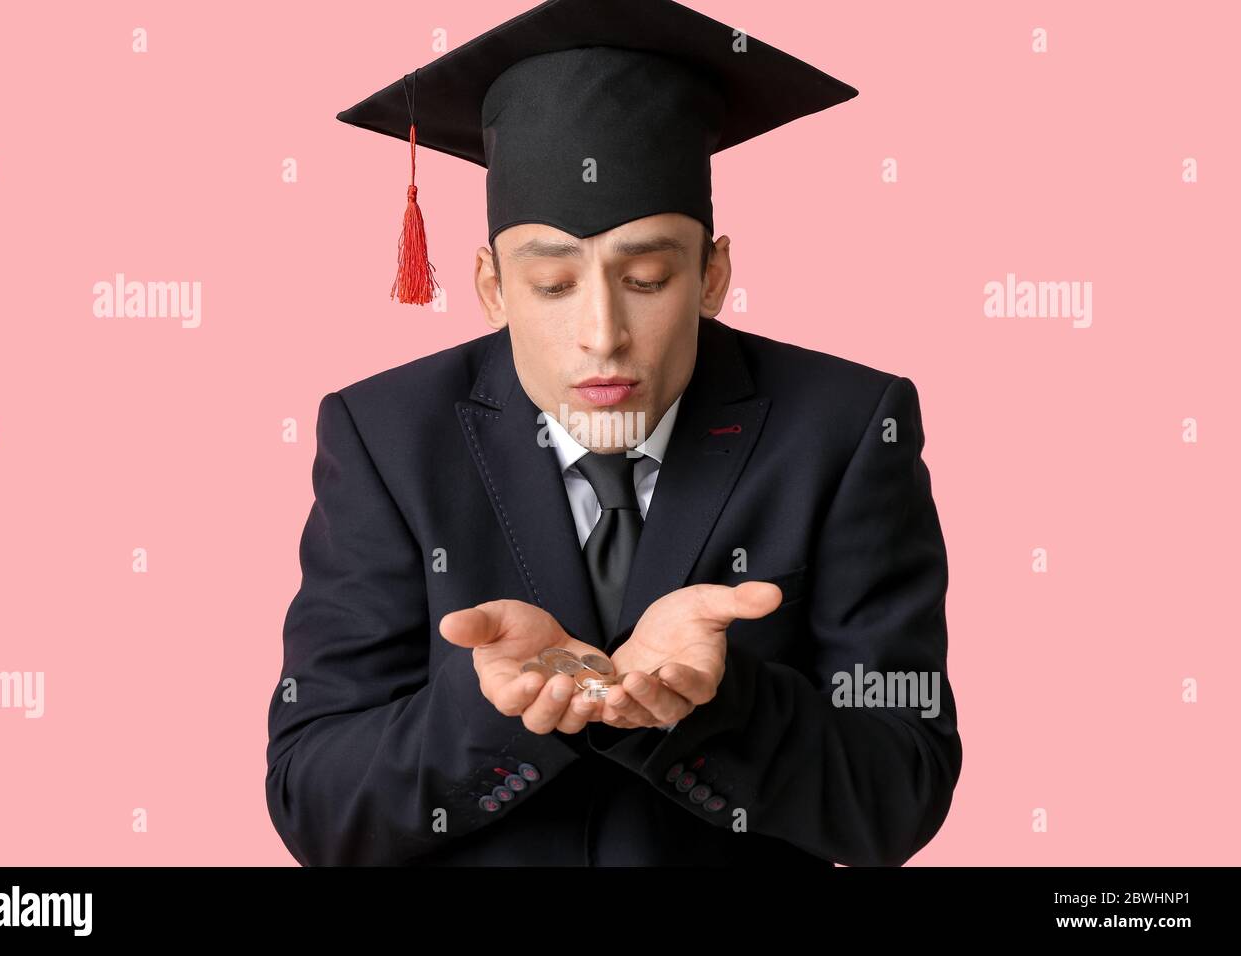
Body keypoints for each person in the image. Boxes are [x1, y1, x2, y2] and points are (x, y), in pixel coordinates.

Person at [265, 0, 962, 866]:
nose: (602, 334)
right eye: (553, 283)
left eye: (647, 276)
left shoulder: (850, 429)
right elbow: (314, 799)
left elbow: (902, 793)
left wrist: (718, 702)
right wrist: (493, 708)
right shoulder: (383, 438)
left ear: (713, 275)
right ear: (490, 287)